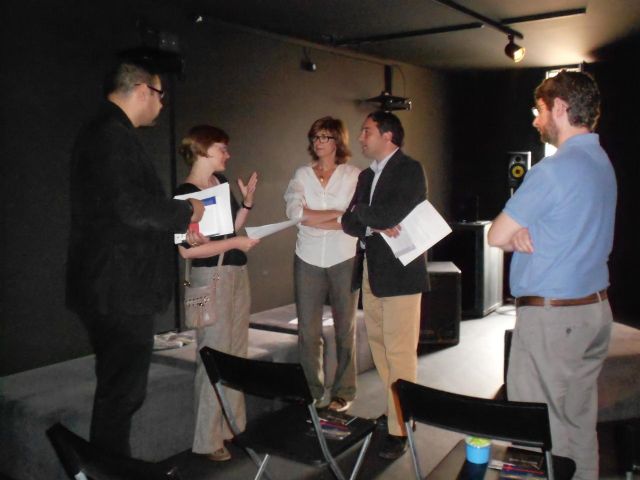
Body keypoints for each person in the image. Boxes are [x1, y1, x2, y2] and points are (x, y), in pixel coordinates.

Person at [66, 61, 204, 455]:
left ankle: (107, 465)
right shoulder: (112, 135)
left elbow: (119, 211)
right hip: (119, 287)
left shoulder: (102, 132)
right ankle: (109, 468)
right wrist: (186, 210)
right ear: (144, 90)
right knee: (122, 394)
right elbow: (133, 208)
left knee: (118, 390)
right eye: (160, 95)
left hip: (107, 284)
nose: (162, 105)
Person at [488, 70, 617, 480]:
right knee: (578, 423)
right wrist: (524, 231)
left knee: (539, 428)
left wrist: (517, 232)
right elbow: (562, 226)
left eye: (539, 110)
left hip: (554, 319)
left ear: (560, 108)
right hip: (594, 312)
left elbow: (496, 235)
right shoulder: (602, 163)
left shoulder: (553, 170)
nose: (535, 119)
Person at [342, 111, 428, 459]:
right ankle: (400, 409)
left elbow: (389, 215)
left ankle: (400, 427)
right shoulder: (366, 175)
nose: (360, 138)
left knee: (400, 352)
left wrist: (365, 214)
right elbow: (348, 222)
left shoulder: (410, 169)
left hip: (401, 273)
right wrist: (369, 218)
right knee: (379, 348)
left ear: (388, 135)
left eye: (367, 131)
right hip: (372, 271)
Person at [176, 125, 259, 462]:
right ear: (203, 149)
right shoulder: (185, 193)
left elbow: (231, 229)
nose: (227, 154)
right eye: (222, 148)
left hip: (236, 273)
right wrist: (236, 242)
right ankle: (208, 441)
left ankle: (232, 428)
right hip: (211, 277)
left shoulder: (219, 183)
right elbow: (186, 250)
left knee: (237, 354)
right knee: (213, 355)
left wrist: (247, 204)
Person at [284, 116, 360, 411]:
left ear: (337, 141)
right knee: (308, 330)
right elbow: (295, 213)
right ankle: (312, 391)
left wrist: (314, 216)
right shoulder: (302, 174)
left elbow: (352, 217)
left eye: (325, 137)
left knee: (345, 328)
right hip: (308, 257)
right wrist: (335, 216)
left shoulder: (353, 175)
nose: (318, 142)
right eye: (315, 137)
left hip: (344, 257)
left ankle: (344, 392)